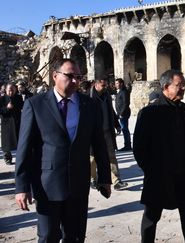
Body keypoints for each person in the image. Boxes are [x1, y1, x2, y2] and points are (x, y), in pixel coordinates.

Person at [14, 59, 112, 243]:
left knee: (75, 237)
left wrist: (105, 177)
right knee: (48, 236)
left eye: (78, 77)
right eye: (69, 76)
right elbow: (24, 148)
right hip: (47, 184)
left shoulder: (89, 105)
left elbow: (99, 144)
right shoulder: (35, 105)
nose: (75, 81)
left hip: (78, 183)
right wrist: (22, 186)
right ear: (55, 76)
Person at [133, 69, 185, 243]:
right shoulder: (150, 113)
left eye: (184, 85)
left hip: (182, 175)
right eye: (179, 85)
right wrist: (152, 170)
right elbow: (139, 148)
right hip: (159, 176)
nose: (183, 88)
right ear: (166, 86)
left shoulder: (182, 110)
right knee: (151, 217)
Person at [89, 79, 128, 191]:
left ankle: (116, 181)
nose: (105, 87)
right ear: (96, 85)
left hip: (107, 132)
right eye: (102, 85)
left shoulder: (106, 96)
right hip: (94, 133)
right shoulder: (88, 97)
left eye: (105, 85)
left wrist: (117, 124)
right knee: (92, 158)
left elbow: (111, 111)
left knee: (111, 156)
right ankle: (93, 179)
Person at [0, 83, 24, 165]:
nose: (11, 92)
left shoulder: (18, 97)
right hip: (6, 122)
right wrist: (7, 108)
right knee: (6, 142)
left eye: (13, 90)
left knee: (20, 140)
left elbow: (22, 107)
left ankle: (21, 158)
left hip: (17, 121)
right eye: (9, 90)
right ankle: (8, 158)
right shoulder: (2, 99)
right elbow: (1, 111)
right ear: (6, 90)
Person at [114, 78, 132, 151]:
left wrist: (121, 113)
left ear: (121, 83)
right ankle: (127, 145)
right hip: (120, 113)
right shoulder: (120, 91)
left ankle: (127, 145)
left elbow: (126, 103)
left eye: (117, 83)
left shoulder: (124, 92)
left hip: (123, 114)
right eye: (116, 83)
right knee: (124, 129)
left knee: (125, 129)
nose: (116, 85)